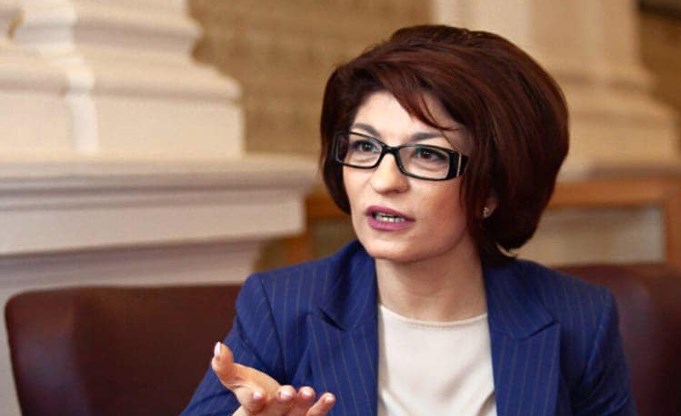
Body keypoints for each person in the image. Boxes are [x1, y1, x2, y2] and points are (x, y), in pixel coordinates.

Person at [182, 24, 636, 416]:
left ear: (492, 190)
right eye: (364, 146)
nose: (384, 180)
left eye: (426, 155)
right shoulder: (281, 309)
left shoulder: (579, 319)